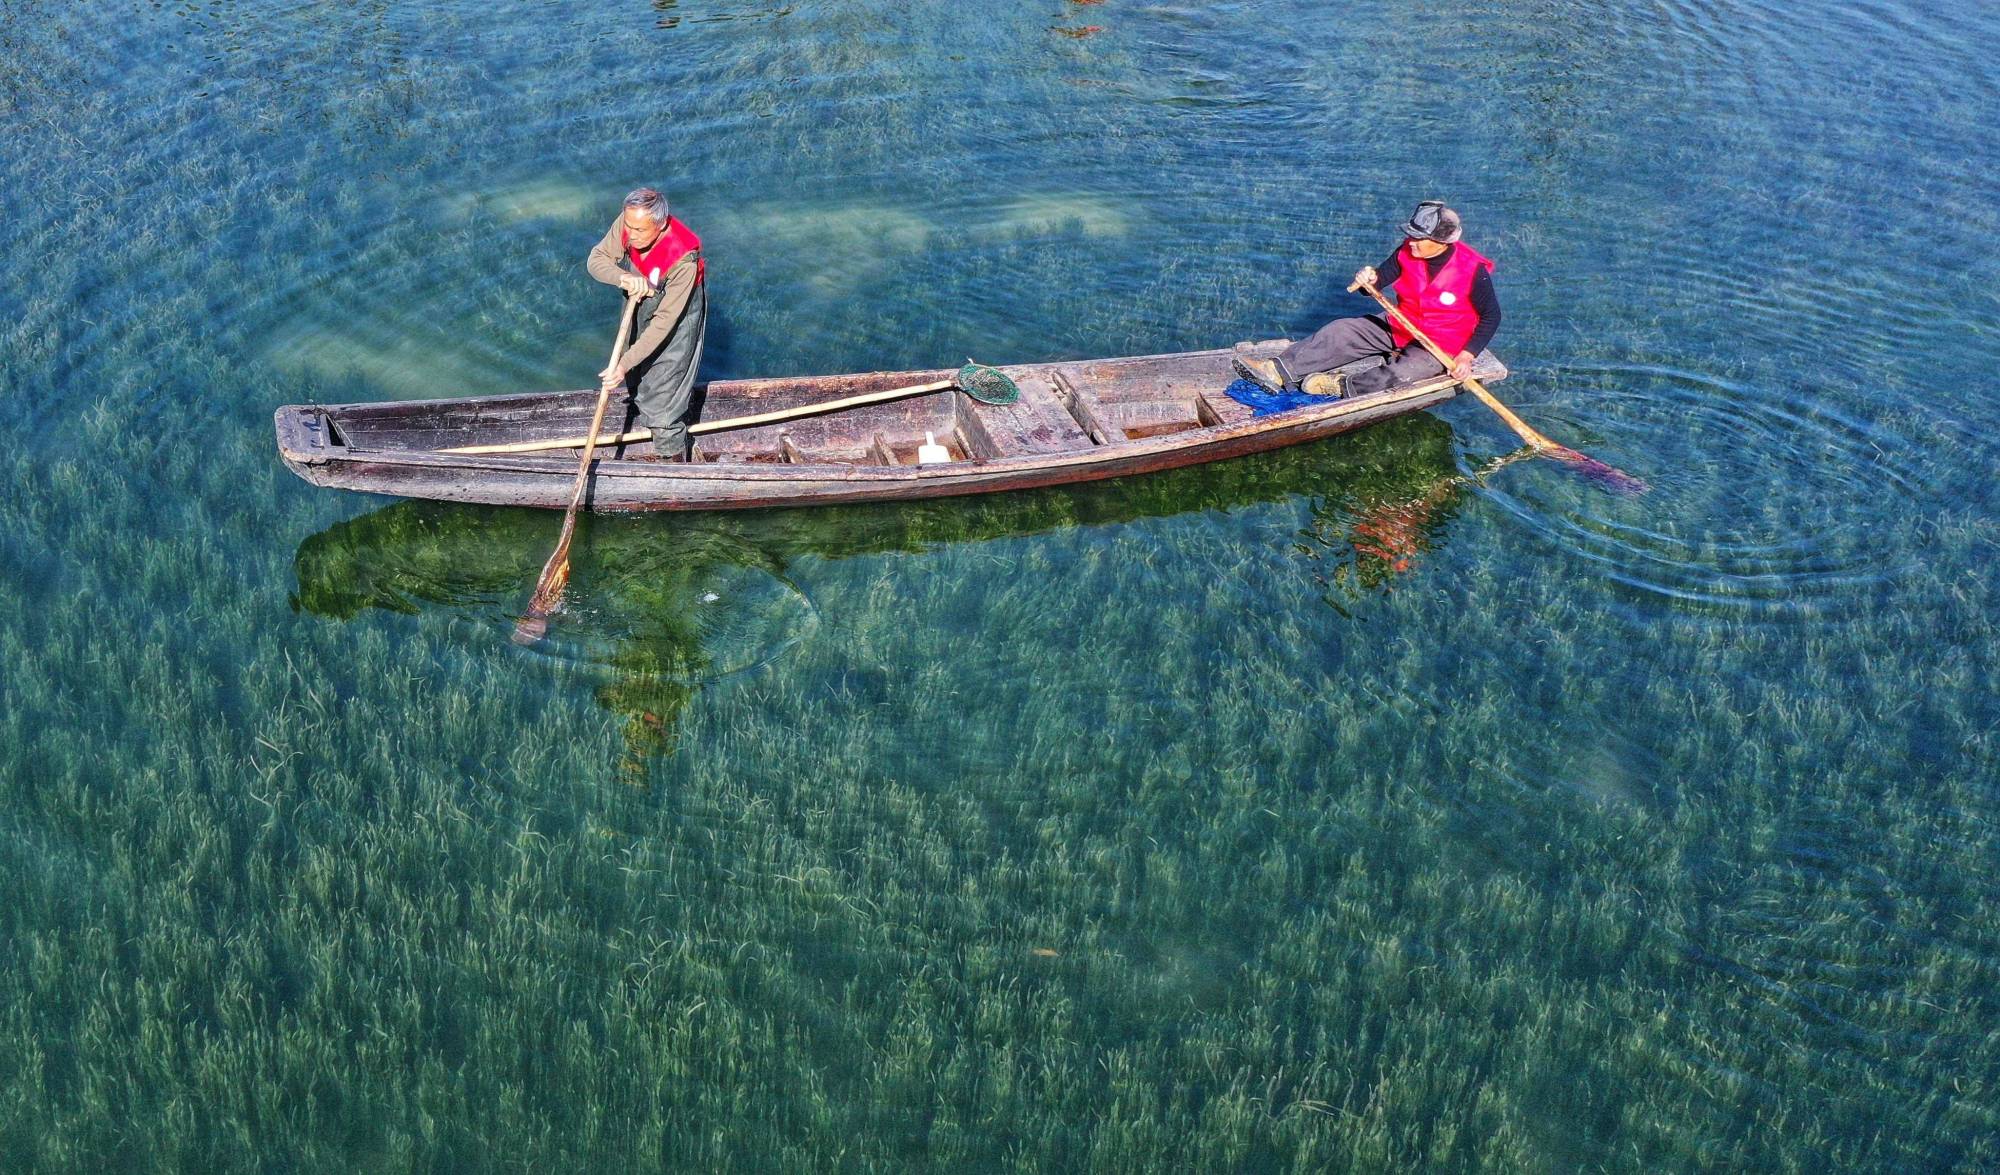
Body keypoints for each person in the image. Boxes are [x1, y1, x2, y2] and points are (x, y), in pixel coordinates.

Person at [1236, 200, 1501, 399]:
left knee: (1400, 375)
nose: (1411, 242)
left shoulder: (1472, 271)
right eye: (1411, 235)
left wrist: (1466, 358)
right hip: (1400, 324)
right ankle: (1277, 370)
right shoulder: (1406, 251)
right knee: (1341, 331)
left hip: (1440, 344)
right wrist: (1368, 279)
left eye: (1420, 238)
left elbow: (1491, 317)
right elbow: (1379, 279)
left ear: (1441, 242)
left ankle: (1339, 386)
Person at [587, 187, 707, 460]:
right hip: (639, 307)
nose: (632, 235)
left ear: (661, 224)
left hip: (676, 322)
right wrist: (623, 277)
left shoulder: (683, 259)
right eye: (629, 227)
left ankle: (676, 471)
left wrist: (623, 362)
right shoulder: (630, 221)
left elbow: (664, 323)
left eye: (640, 230)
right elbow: (596, 260)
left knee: (663, 405)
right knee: (637, 382)